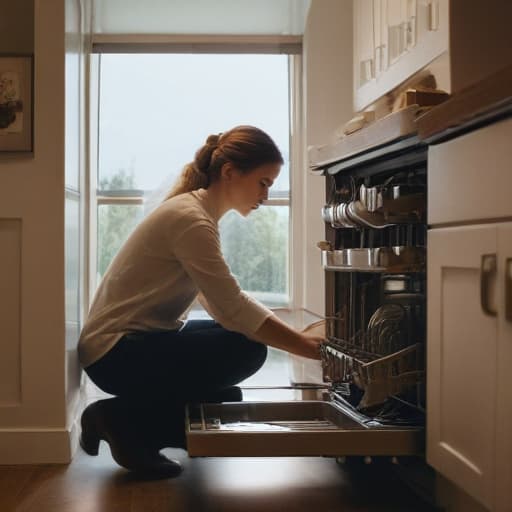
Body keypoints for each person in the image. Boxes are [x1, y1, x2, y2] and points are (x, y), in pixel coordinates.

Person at [78, 125, 324, 477]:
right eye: (264, 183)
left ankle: (130, 424)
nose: (266, 196)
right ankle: (119, 420)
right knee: (247, 350)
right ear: (229, 172)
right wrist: (305, 345)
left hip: (124, 348)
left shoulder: (196, 213)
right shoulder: (191, 220)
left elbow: (219, 301)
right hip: (116, 354)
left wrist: (287, 333)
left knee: (226, 398)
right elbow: (231, 306)